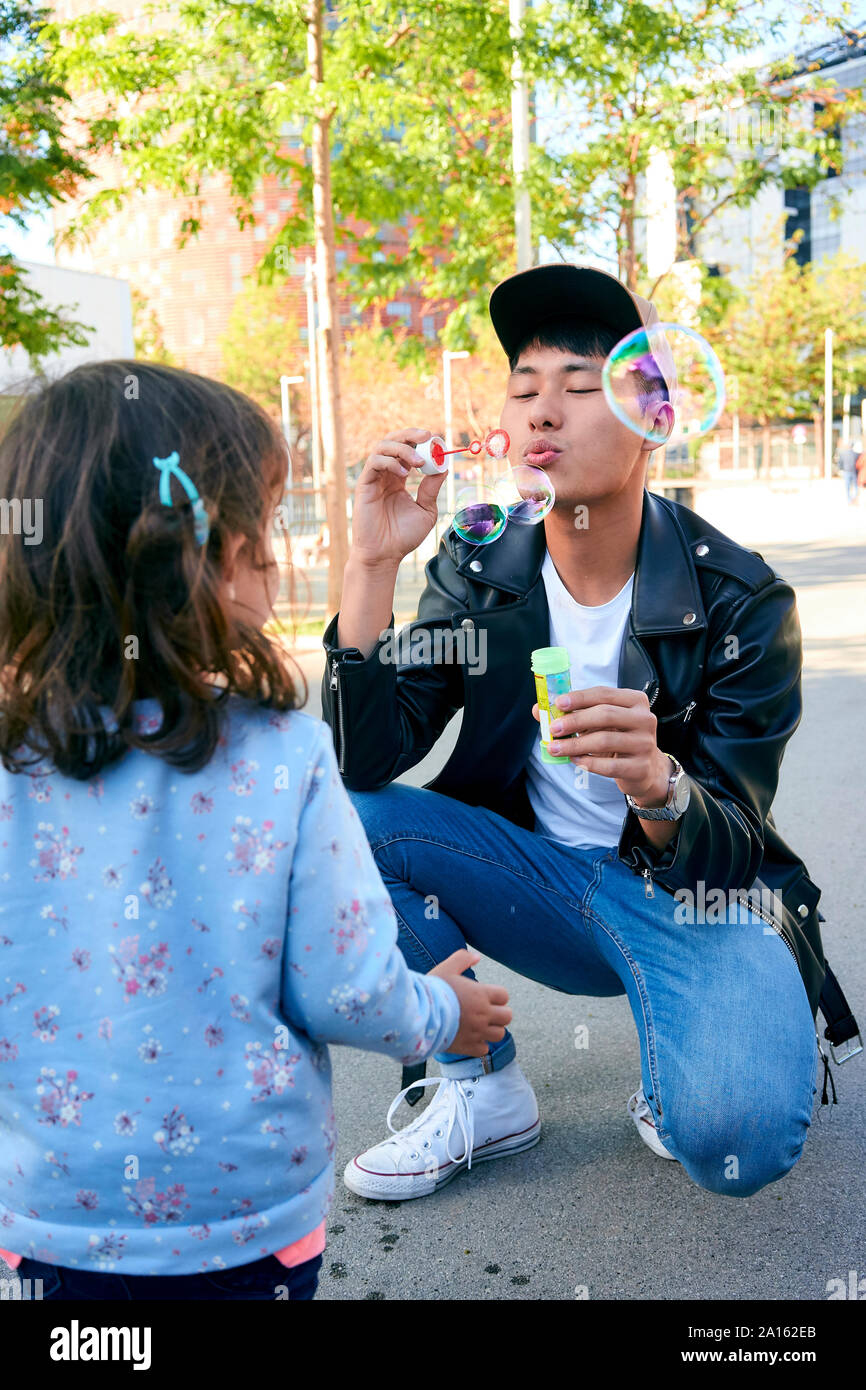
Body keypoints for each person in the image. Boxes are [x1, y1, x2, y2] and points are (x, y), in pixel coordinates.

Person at [320, 263, 860, 1204]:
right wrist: (369, 567)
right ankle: (482, 1087)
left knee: (733, 1139)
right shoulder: (481, 567)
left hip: (688, 897)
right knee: (343, 814)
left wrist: (661, 787)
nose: (542, 413)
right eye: (524, 390)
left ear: (653, 418)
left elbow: (731, 844)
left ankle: (683, 1052)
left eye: (578, 389)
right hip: (536, 882)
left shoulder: (742, 598)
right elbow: (368, 760)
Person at [0, 360, 509, 1300]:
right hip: (240, 1225)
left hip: (49, 1225)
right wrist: (445, 1013)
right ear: (217, 555)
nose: (275, 556)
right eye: (264, 528)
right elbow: (346, 990)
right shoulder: (280, 753)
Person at [836, 438, 861, 504]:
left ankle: (849, 499)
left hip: (847, 471)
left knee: (848, 486)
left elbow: (840, 463)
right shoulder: (856, 454)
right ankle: (854, 499)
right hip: (853, 472)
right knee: (855, 486)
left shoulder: (843, 454)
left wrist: (841, 469)